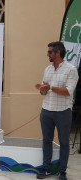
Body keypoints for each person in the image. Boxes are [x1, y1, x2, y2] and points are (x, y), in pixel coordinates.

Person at [35, 41, 78, 180]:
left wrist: (50, 88)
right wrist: (42, 90)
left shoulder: (71, 69)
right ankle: (46, 169)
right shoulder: (47, 69)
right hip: (46, 110)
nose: (47, 54)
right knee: (46, 140)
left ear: (57, 52)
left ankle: (62, 172)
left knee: (64, 142)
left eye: (49, 52)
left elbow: (68, 91)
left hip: (63, 111)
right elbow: (44, 91)